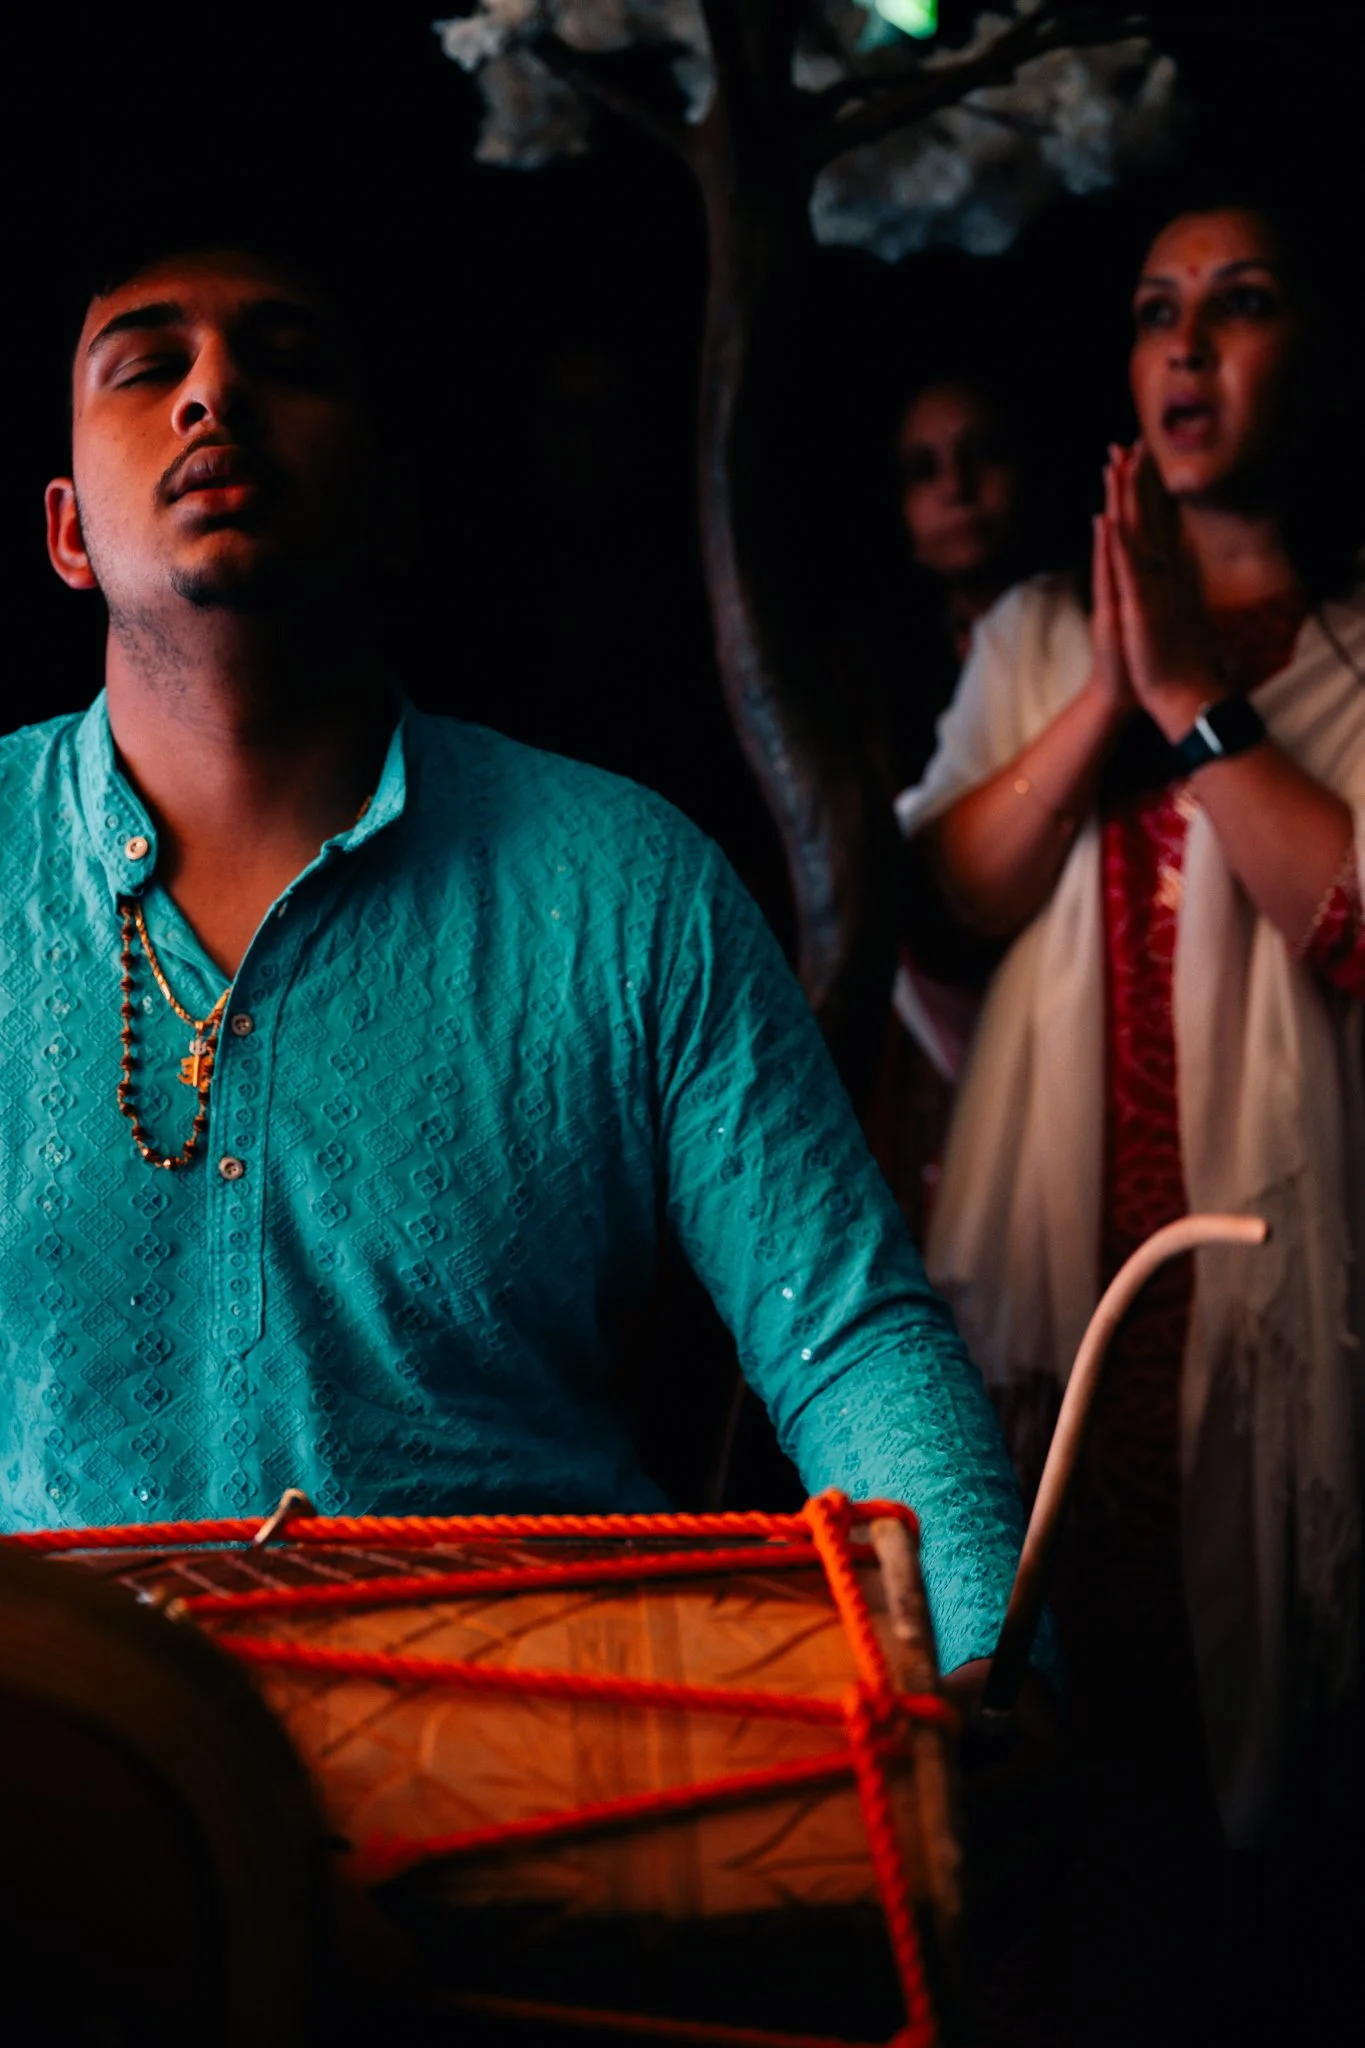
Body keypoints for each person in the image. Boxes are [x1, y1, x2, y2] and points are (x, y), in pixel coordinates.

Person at [0, 225, 1048, 1729]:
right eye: (150, 364)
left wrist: (985, 1659)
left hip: (532, 1824)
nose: (214, 392)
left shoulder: (629, 890)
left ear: (381, 486)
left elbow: (850, 1340)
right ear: (66, 534)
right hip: (62, 1839)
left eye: (286, 362)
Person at [897, 196, 1365, 2034]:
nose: (1186, 347)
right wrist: (1109, 691)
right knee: (1059, 1746)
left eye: (1240, 306)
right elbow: (952, 890)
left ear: (1315, 353)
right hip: (1061, 1264)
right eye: (1157, 311)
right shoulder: (1030, 628)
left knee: (1268, 1777)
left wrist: (1199, 699)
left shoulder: (1351, 639)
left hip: (1277, 1268)